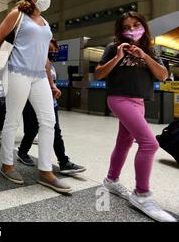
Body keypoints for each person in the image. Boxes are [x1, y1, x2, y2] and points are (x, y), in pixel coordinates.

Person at [0, 0, 71, 193]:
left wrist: (51, 84)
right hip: (17, 71)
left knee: (48, 121)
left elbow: (44, 57)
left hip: (39, 77)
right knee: (12, 119)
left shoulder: (45, 23)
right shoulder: (17, 14)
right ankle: (7, 165)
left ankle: (45, 171)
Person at [94, 11, 176, 222]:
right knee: (149, 144)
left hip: (139, 101)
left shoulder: (151, 48)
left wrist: (145, 56)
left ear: (143, 26)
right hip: (119, 99)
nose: (131, 30)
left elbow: (162, 75)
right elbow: (99, 73)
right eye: (126, 27)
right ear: (121, 31)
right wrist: (118, 57)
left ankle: (111, 180)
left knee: (124, 142)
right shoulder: (114, 47)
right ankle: (141, 194)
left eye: (136, 25)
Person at [17, 39, 86, 175]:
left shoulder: (52, 67)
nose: (53, 53)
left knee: (56, 131)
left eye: (55, 51)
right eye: (50, 50)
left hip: (50, 104)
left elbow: (50, 83)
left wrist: (54, 90)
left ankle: (64, 162)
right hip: (33, 104)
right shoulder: (34, 64)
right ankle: (22, 152)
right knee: (32, 131)